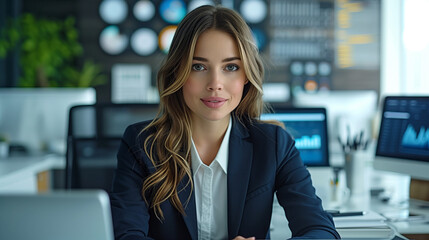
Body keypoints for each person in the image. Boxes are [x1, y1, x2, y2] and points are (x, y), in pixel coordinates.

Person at [109, 5, 340, 240]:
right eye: (198, 67)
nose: (215, 83)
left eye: (231, 67)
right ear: (177, 73)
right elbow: (127, 236)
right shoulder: (142, 144)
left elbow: (321, 231)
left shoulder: (274, 144)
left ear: (246, 76)